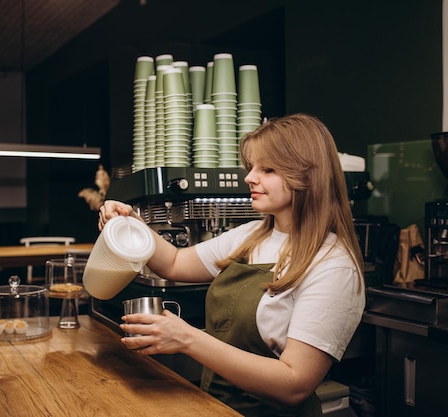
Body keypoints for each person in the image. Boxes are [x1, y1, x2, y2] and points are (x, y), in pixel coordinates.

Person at [97, 113, 365, 417]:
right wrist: (129, 222)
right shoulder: (251, 235)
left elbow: (294, 384)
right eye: (251, 167)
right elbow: (173, 262)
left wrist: (187, 339)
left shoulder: (332, 265)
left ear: (306, 175)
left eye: (268, 169)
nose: (250, 177)